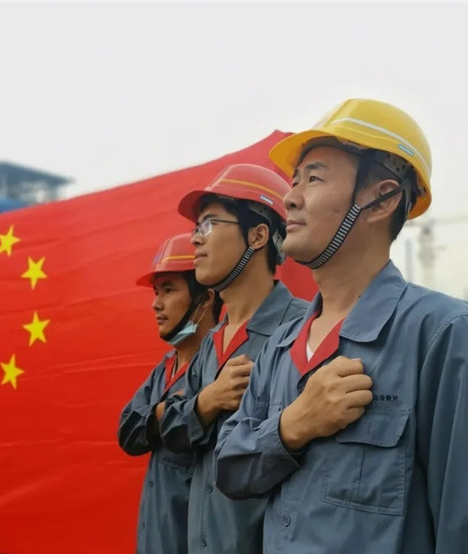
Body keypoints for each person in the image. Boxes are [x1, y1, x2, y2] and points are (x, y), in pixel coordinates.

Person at [216, 98, 468, 553]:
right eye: (294, 181)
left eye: (314, 178)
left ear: (382, 199)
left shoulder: (444, 334)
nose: (290, 197)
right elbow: (230, 470)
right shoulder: (280, 347)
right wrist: (292, 426)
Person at [160, 164, 308, 553]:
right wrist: (205, 404)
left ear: (258, 235)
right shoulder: (209, 345)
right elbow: (171, 435)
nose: (195, 239)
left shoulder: (304, 331)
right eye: (196, 228)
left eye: (209, 224)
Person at [118, 232, 221, 554]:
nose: (156, 303)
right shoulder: (165, 369)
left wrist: (156, 419)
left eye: (169, 289)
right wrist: (176, 412)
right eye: (156, 292)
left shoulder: (219, 366)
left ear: (205, 299)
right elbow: (128, 432)